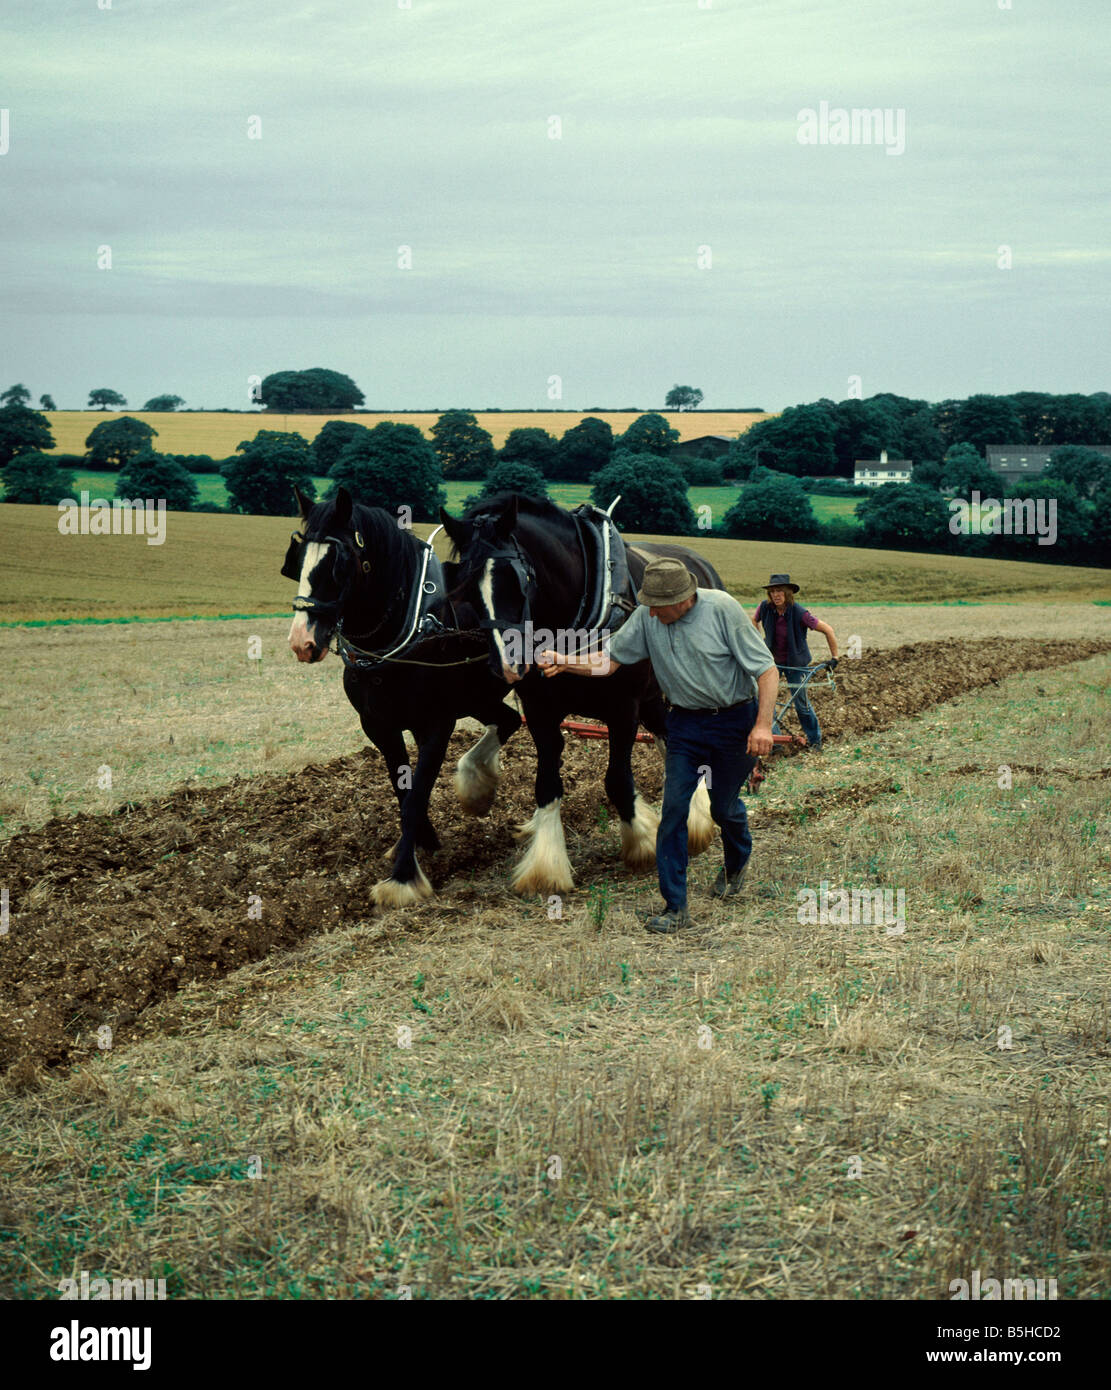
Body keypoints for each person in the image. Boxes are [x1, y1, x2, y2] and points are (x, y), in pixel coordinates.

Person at [536, 558, 777, 935]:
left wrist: (762, 725)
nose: (652, 611)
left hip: (734, 721)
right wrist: (565, 661)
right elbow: (609, 660)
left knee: (723, 806)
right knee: (674, 811)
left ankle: (737, 861)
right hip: (684, 724)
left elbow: (766, 670)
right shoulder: (649, 617)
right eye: (648, 603)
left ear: (684, 599)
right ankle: (675, 907)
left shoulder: (722, 610)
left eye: (659, 605)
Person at [751, 574, 839, 750]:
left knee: (801, 704)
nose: (776, 595)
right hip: (772, 663)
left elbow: (827, 630)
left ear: (788, 592)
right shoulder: (765, 608)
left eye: (780, 591)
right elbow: (754, 620)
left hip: (796, 664)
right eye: (773, 591)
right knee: (766, 702)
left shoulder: (800, 613)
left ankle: (815, 742)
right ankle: (775, 742)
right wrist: (758, 642)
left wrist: (835, 657)